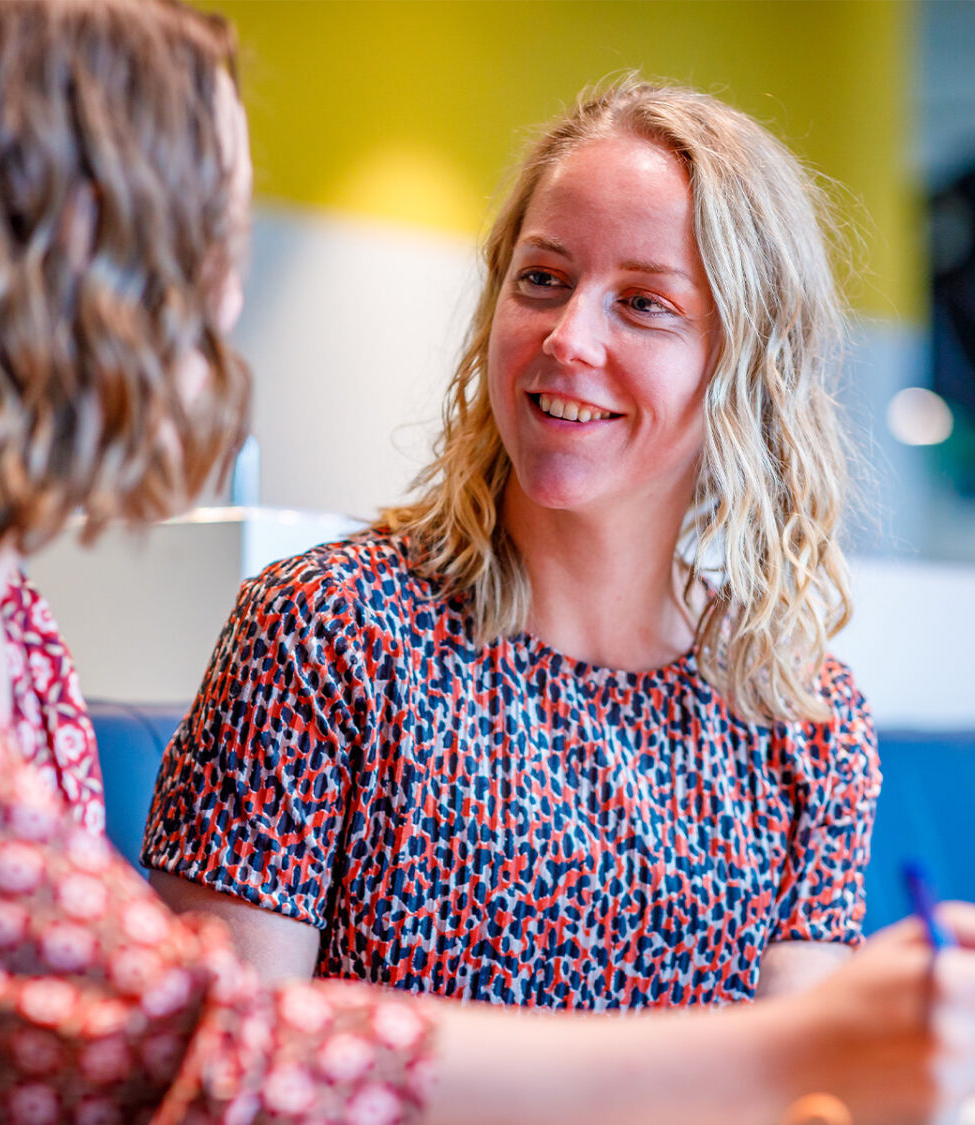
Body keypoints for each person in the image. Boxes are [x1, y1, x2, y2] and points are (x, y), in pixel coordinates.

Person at [0, 6, 975, 1123]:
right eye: (204, 237)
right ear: (53, 252)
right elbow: (187, 1056)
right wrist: (791, 1048)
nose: (225, 303)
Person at [145, 78, 888, 1008]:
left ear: (749, 363)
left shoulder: (804, 722)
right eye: (542, 280)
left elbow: (795, 1068)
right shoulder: (327, 631)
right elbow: (230, 1051)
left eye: (644, 302)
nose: (568, 338)